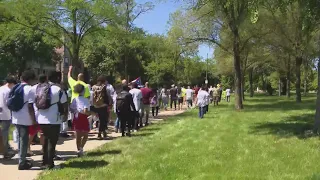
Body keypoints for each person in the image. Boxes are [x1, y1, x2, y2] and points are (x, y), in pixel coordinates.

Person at [31, 73, 68, 169]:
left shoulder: (35, 88)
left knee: (45, 141)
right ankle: (50, 164)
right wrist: (65, 115)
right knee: (52, 142)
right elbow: (64, 103)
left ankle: (44, 162)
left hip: (41, 119)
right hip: (54, 120)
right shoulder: (58, 89)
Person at [11, 70, 37, 170]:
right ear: (30, 79)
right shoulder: (30, 89)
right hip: (25, 118)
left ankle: (21, 158)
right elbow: (30, 106)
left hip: (16, 116)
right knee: (24, 140)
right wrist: (33, 119)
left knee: (20, 139)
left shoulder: (16, 87)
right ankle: (22, 163)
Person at [70, 84, 93, 157]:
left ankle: (78, 150)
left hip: (76, 117)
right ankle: (81, 148)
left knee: (78, 136)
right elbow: (86, 111)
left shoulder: (74, 99)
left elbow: (71, 109)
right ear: (83, 91)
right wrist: (92, 113)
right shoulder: (85, 99)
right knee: (85, 135)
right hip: (83, 117)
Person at [0, 76, 17, 159]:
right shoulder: (9, 91)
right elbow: (8, 103)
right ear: (11, 83)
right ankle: (5, 150)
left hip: (1, 112)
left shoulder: (1, 88)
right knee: (5, 133)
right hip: (5, 114)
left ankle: (5, 149)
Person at [92, 75, 111, 140]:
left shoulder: (93, 87)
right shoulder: (104, 87)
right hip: (103, 105)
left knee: (100, 120)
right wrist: (108, 104)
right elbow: (106, 97)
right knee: (103, 120)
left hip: (95, 105)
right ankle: (100, 134)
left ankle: (103, 132)